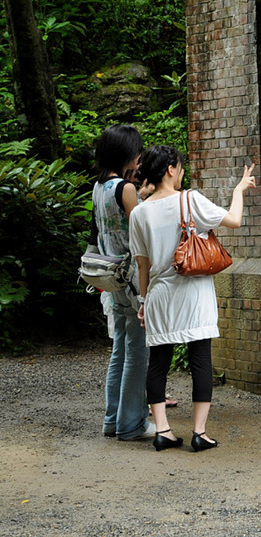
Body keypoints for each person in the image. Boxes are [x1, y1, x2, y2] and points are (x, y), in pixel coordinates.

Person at [130, 146, 257, 452]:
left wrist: (144, 301)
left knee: (158, 363)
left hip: (159, 294)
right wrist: (239, 188)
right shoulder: (190, 199)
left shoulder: (139, 212)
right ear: (171, 170)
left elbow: (142, 264)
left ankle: (163, 431)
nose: (183, 172)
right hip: (193, 291)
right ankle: (199, 433)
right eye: (181, 167)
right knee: (200, 359)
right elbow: (234, 220)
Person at [93, 125, 155, 441]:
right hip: (132, 280)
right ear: (126, 154)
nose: (139, 158)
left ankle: (112, 419)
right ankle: (131, 424)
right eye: (136, 152)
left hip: (110, 277)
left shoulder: (99, 187)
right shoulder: (125, 188)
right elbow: (141, 229)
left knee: (120, 349)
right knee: (137, 351)